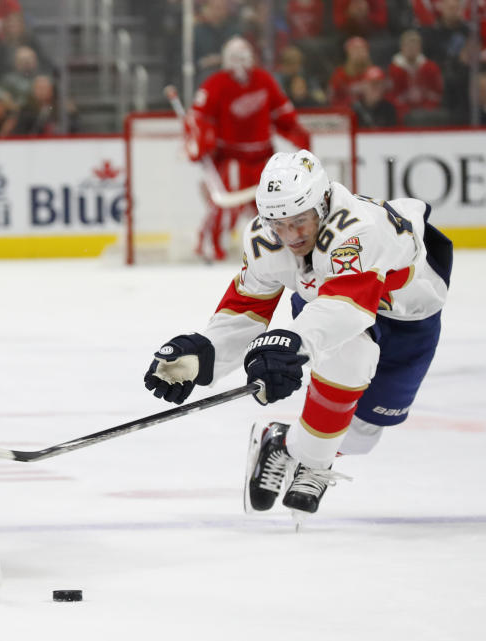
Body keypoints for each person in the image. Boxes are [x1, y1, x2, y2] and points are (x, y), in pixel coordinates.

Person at [143, 150, 452, 521]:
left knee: (363, 436)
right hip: (328, 303)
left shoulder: (357, 230)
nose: (290, 236)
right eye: (278, 223)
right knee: (349, 359)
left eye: (299, 222)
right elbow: (247, 307)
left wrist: (290, 343)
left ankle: (282, 443)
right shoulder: (264, 237)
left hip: (409, 315)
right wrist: (206, 352)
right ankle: (314, 465)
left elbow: (348, 308)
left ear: (323, 204)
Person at [182, 36, 311, 261]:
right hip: (232, 158)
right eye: (235, 58)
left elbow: (283, 113)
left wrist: (298, 136)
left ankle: (275, 249)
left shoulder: (263, 80)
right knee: (226, 206)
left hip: (263, 157)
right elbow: (198, 118)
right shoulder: (216, 83)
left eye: (244, 57)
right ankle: (210, 245)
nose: (240, 63)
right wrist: (199, 143)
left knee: (272, 206)